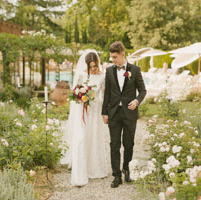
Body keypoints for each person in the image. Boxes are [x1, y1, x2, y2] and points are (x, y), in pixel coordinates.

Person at [102, 41, 146, 188]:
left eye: (115, 57)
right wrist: (104, 112)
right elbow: (107, 93)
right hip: (114, 113)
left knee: (129, 144)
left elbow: (143, 91)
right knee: (114, 144)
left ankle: (127, 169)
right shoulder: (109, 71)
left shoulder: (135, 69)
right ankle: (116, 176)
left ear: (122, 55)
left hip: (130, 113)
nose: (113, 60)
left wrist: (137, 101)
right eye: (111, 57)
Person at [61, 49, 108, 186]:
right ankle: (80, 165)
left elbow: (104, 96)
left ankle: (94, 167)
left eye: (95, 66)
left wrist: (105, 112)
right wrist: (79, 96)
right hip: (82, 110)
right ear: (86, 65)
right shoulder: (81, 75)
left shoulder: (102, 76)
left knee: (94, 136)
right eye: (91, 66)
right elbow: (74, 92)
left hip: (95, 111)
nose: (93, 69)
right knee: (82, 137)